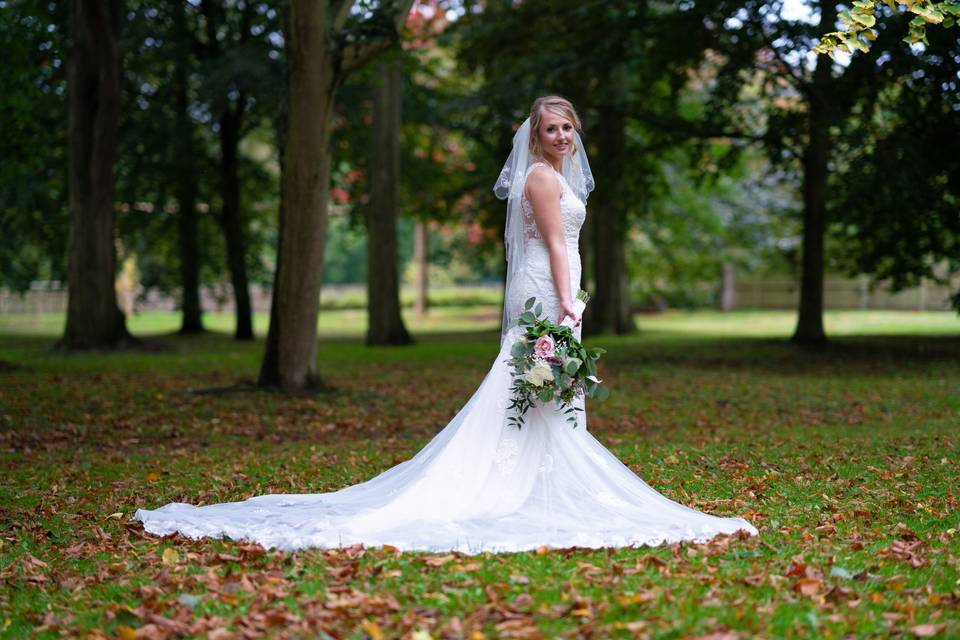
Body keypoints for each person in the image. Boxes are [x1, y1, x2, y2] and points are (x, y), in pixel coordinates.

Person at [134, 96, 758, 553]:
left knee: (543, 386)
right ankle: (510, 486)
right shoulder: (541, 179)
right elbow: (556, 245)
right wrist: (571, 302)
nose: (563, 135)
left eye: (568, 126)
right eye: (551, 127)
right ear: (535, 137)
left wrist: (574, 297)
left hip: (551, 284)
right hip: (544, 287)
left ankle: (541, 483)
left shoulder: (559, 175)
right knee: (530, 381)